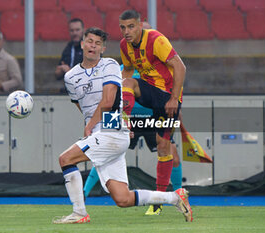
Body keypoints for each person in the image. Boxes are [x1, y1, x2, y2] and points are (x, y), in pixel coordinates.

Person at [53, 27, 192, 224]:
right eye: (90, 41)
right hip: (102, 131)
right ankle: (175, 197)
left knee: (66, 159)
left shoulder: (109, 65)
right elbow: (81, 106)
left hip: (112, 129)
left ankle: (79, 213)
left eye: (98, 43)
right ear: (82, 43)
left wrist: (98, 125)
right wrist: (91, 125)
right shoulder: (70, 77)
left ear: (103, 48)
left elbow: (109, 101)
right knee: (122, 198)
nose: (93, 45)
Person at [119, 10, 186, 215]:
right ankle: (125, 120)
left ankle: (158, 201)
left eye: (131, 26)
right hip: (149, 92)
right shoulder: (124, 45)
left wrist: (174, 98)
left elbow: (180, 66)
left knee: (163, 146)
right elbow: (128, 71)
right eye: (123, 27)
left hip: (168, 97)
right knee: (127, 83)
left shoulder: (156, 39)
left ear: (140, 25)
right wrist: (119, 93)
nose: (126, 31)